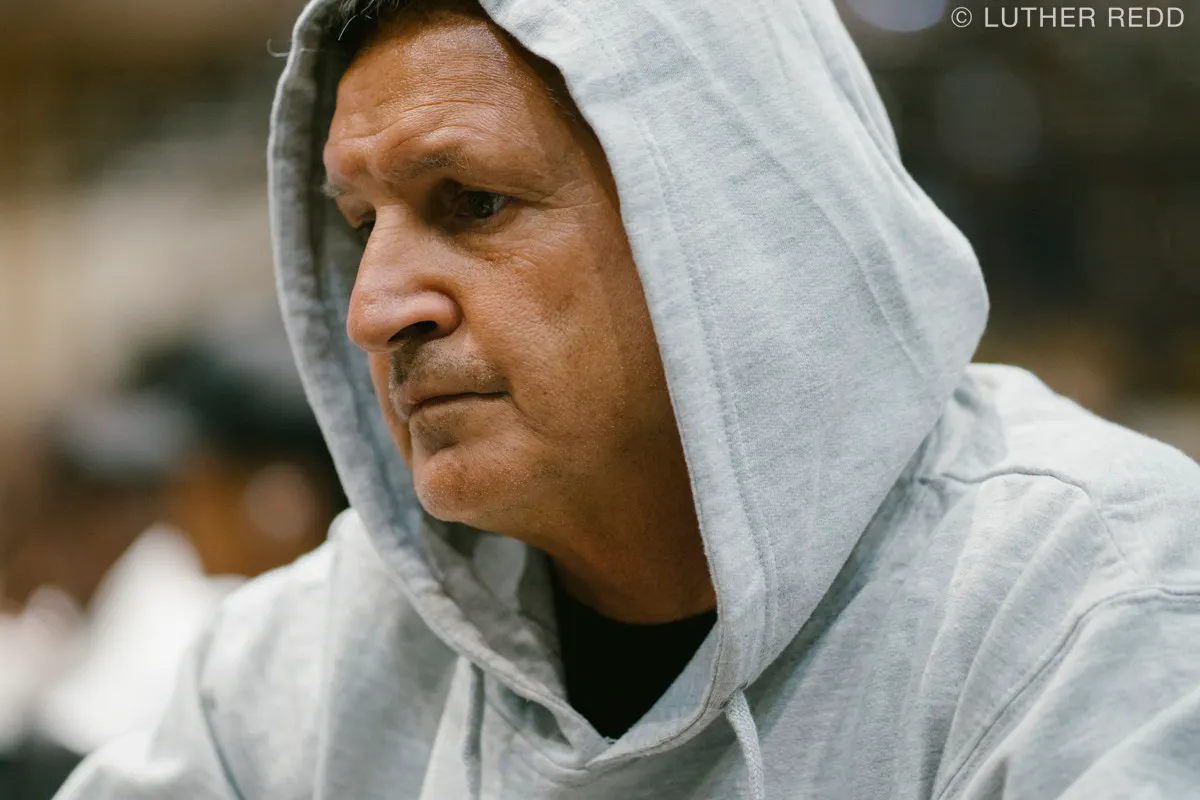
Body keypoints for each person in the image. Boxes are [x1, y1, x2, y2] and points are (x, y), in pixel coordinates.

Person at [54, 0, 1200, 797]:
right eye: (362, 226)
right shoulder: (307, 664)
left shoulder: (1090, 604)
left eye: (472, 201)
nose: (375, 306)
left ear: (725, 221)